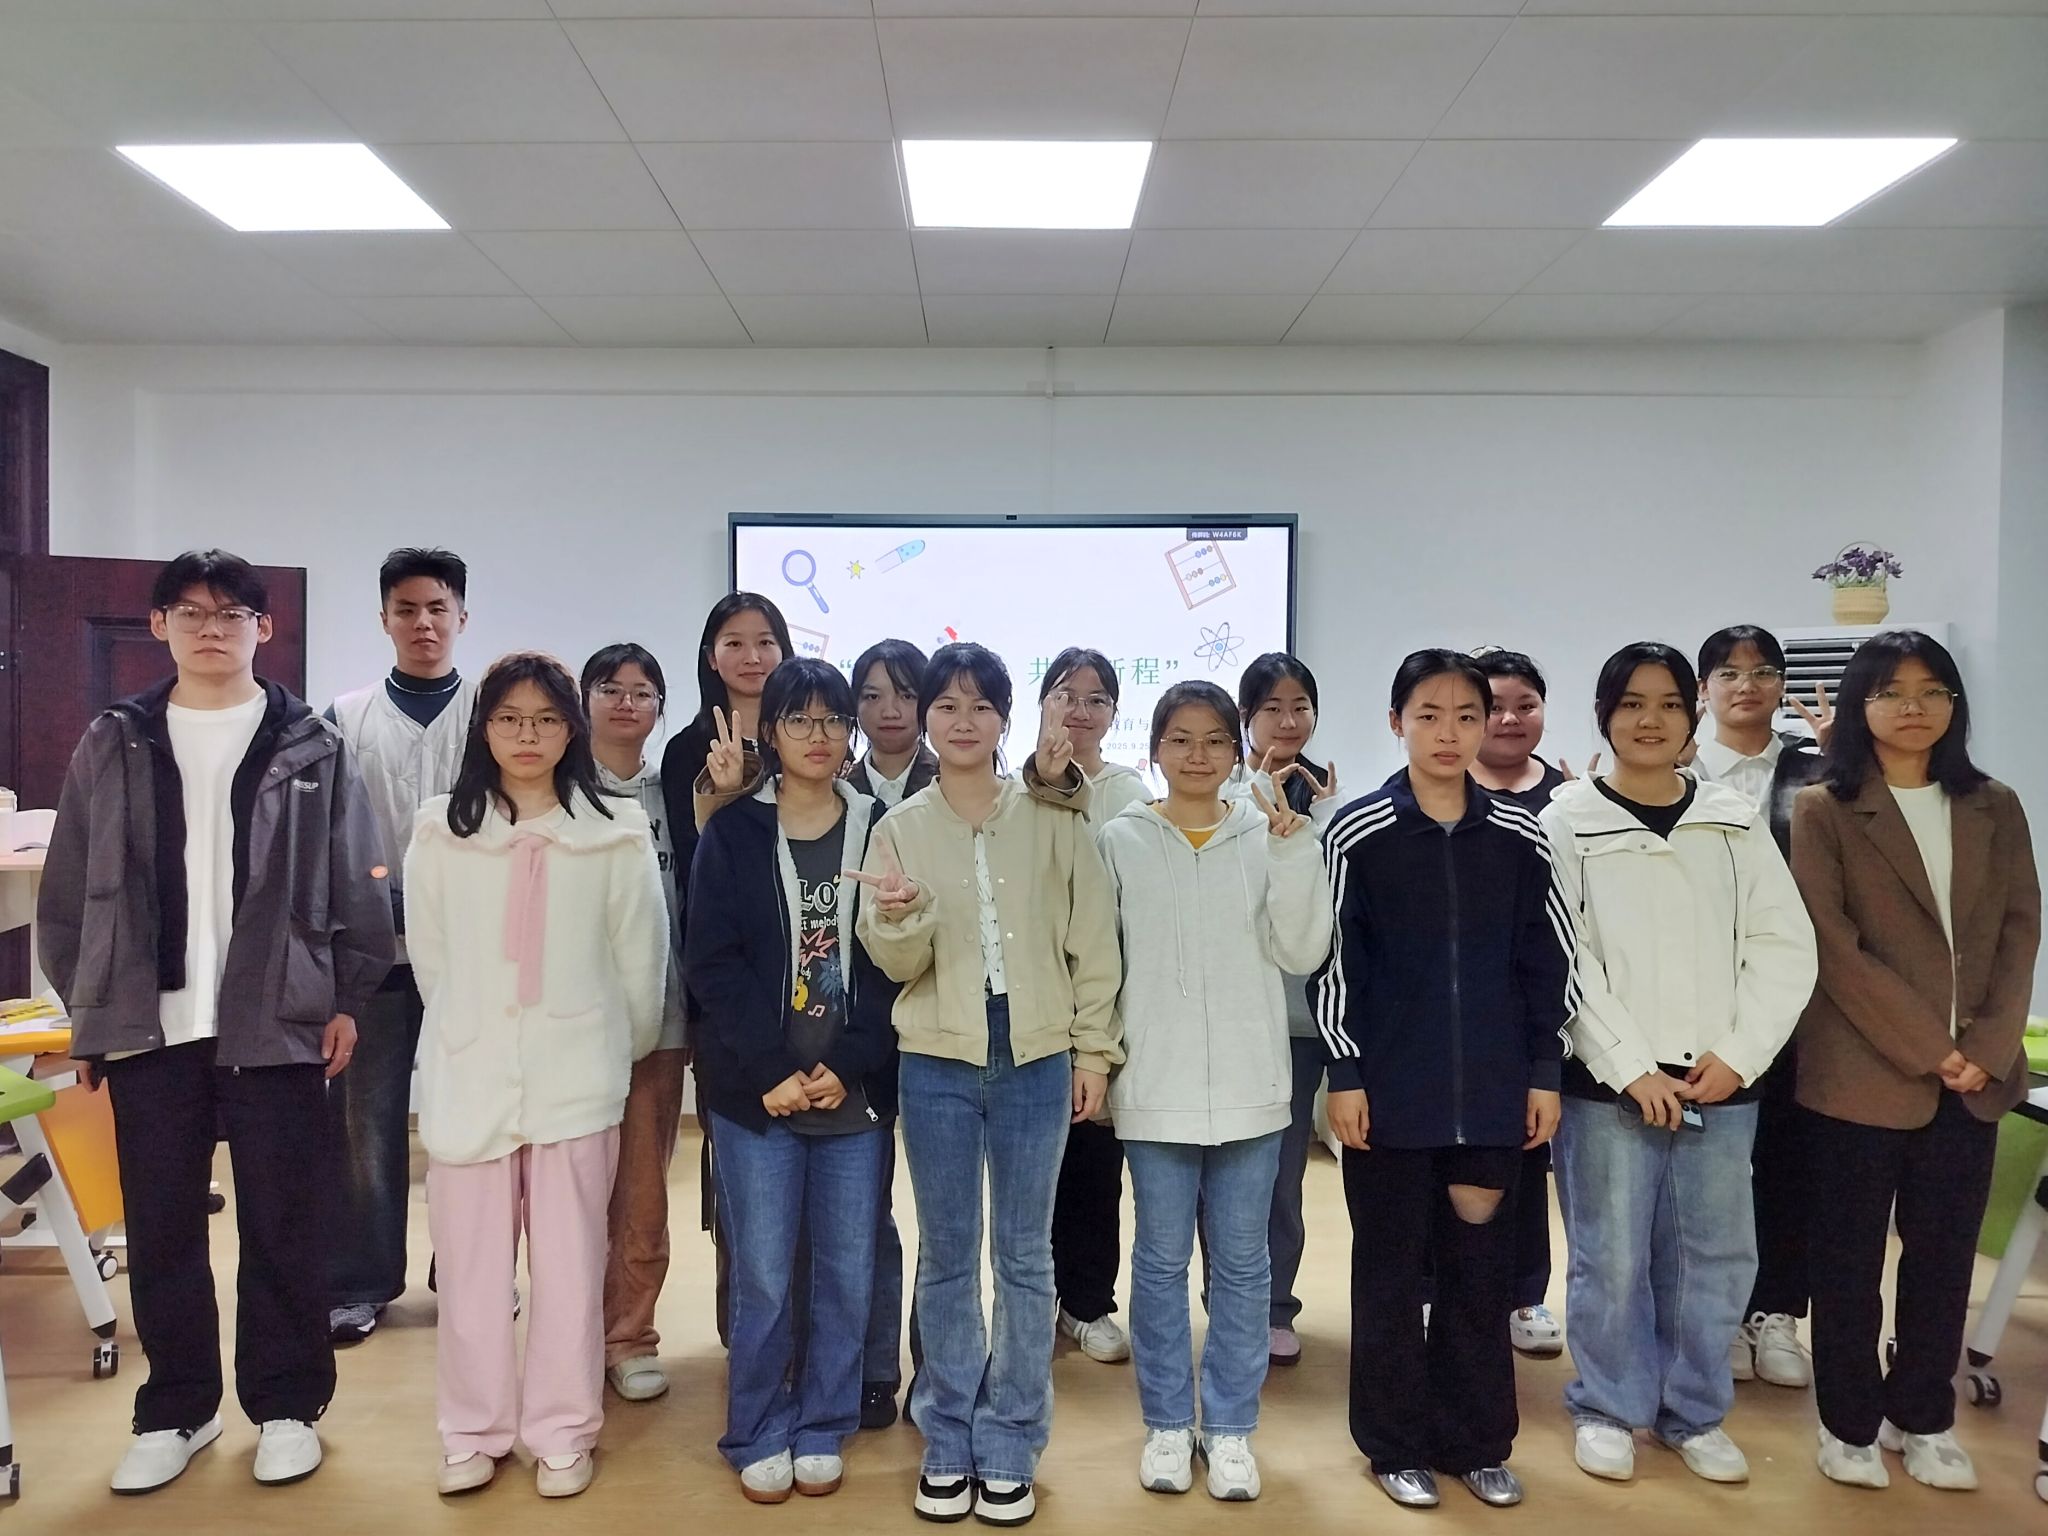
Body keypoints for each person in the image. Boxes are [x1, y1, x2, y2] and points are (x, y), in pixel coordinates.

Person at [39, 549, 396, 1494]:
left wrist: (346, 999)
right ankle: (177, 1410)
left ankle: (286, 1407)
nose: (211, 629)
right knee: (162, 1229)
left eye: (231, 613)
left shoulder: (311, 744)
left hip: (278, 1021)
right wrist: (91, 1015)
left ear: (261, 628)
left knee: (285, 1224)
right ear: (159, 625)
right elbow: (69, 891)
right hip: (149, 1027)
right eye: (190, 613)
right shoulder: (114, 739)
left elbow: (359, 883)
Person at [856, 643, 1122, 1528]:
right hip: (936, 1057)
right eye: (947, 705)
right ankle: (947, 1435)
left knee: (1023, 1254)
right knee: (946, 1252)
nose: (962, 721)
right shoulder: (901, 826)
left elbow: (1093, 943)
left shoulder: (1052, 814)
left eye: (980, 706)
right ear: (925, 718)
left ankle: (1011, 1438)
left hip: (1037, 1054)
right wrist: (902, 917)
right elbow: (896, 962)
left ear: (1006, 718)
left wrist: (1094, 1053)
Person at [1540, 641, 1817, 1489]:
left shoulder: (1731, 818)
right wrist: (1629, 1067)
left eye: (1666, 703)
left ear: (1691, 714)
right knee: (1610, 1257)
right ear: (1604, 716)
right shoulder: (1566, 819)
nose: (1649, 720)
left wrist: (1739, 1055)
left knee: (1716, 1257)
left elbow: (1783, 944)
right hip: (1610, 1086)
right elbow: (1564, 957)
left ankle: (1694, 1411)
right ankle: (1607, 1405)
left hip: (1719, 1083)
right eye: (1630, 703)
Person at [1317, 650, 1572, 1512]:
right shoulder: (1358, 833)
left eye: (1468, 715)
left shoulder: (1521, 836)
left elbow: (1548, 962)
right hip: (1388, 1095)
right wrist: (1345, 1071)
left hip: (1496, 1097)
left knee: (1480, 1274)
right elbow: (1335, 964)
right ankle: (1394, 1445)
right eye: (1429, 715)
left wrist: (1543, 1071)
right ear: (1398, 723)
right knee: (1389, 1276)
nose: (1449, 733)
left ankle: (1477, 1442)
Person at [407, 653, 667, 1499]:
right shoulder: (441, 830)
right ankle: (472, 1429)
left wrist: (606, 1049)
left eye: (547, 719)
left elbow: (641, 965)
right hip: (471, 1075)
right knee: (472, 1270)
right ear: (484, 728)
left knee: (570, 1266)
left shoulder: (615, 831)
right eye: (510, 718)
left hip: (577, 1077)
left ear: (571, 730)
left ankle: (562, 1430)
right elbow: (432, 962)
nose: (528, 735)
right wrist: (472, 1030)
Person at [1793, 630, 2039, 1493]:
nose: (1914, 706)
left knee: (1943, 1260)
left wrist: (1987, 1049)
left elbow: (2020, 932)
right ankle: (1849, 1423)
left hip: (1975, 1081)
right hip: (1861, 1073)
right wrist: (1932, 1049)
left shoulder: (1994, 804)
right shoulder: (1825, 808)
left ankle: (1924, 1416)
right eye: (1892, 691)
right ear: (1860, 704)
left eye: (1933, 690)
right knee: (1849, 1262)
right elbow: (1835, 947)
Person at [1102, 681, 1332, 1502]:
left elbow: (1303, 951)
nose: (1196, 756)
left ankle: (1231, 1427)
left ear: (1237, 751)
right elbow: (1103, 958)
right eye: (1179, 739)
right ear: (1155, 750)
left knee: (1242, 1265)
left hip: (1251, 1086)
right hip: (1155, 1087)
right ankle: (1168, 1423)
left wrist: (1294, 852)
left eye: (1213, 740)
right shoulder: (1121, 838)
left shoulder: (1268, 833)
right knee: (1160, 1263)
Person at [686, 658, 899, 1504]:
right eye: (800, 720)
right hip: (757, 1097)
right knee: (765, 1275)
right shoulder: (735, 831)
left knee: (847, 1272)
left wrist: (847, 1065)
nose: (820, 736)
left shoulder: (882, 828)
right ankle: (756, 1426)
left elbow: (893, 965)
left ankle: (823, 1422)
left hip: (853, 1094)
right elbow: (712, 963)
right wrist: (772, 1070)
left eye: (833, 720)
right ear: (769, 732)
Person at [324, 547, 479, 1346]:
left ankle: (469, 1270)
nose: (424, 623)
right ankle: (361, 1281)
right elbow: (328, 833)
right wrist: (377, 898)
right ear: (384, 618)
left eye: (437, 608)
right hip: (373, 958)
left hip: (471, 958)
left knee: (468, 1121)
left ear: (462, 617)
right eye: (407, 609)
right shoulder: (344, 718)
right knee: (367, 1125)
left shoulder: (493, 711)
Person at [1691, 625, 1829, 1392]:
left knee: (1788, 1159)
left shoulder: (1819, 769)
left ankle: (1775, 1312)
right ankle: (1716, 1316)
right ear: (1704, 690)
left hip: (1795, 1000)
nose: (1747, 685)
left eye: (1763, 672)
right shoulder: (1675, 768)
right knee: (1711, 1170)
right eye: (1729, 673)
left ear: (1781, 685)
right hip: (1701, 998)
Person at [657, 592, 793, 1344]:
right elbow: (696, 874)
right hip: (727, 985)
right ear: (711, 655)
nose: (751, 656)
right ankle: (745, 1332)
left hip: (808, 983)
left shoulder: (809, 738)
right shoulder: (687, 750)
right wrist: (727, 795)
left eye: (765, 641)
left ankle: (804, 1331)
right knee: (738, 1164)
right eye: (734, 642)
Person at [1222, 652, 1341, 1367]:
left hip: (1299, 1025)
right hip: (1230, 1014)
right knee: (1223, 1176)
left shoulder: (1330, 801)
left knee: (1281, 1177)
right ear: (1246, 718)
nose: (1288, 720)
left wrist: (1319, 820)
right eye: (1272, 707)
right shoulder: (1221, 794)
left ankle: (1274, 1306)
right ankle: (1227, 1303)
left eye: (1300, 706)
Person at [581, 644, 690, 1404]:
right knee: (572, 1192)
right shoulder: (559, 790)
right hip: (574, 1022)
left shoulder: (673, 790)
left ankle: (628, 1336)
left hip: (661, 1017)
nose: (627, 703)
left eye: (643, 691)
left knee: (642, 1189)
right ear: (585, 699)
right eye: (611, 689)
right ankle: (570, 1336)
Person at [1039, 647, 1150, 1366]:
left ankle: (1086, 1303)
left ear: (1114, 712)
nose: (1080, 711)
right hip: (1033, 1004)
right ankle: (1033, 1299)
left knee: (1093, 1165)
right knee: (1031, 1172)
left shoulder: (1129, 793)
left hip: (1103, 1005)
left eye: (1096, 699)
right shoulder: (1012, 786)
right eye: (1065, 694)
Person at [1467, 648, 1570, 1362]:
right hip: (1450, 1013)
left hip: (1530, 1013)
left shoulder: (1568, 800)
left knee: (1528, 1161)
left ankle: (1525, 1293)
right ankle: (1439, 1289)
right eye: (1493, 707)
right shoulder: (1437, 787)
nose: (1508, 719)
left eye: (1524, 705)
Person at [844, 636, 933, 1429]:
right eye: (872, 694)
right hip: (858, 1034)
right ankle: (874, 1368)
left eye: (904, 692)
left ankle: (936, 1371)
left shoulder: (963, 786)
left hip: (941, 1028)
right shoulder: (831, 789)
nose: (889, 709)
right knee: (865, 1212)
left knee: (944, 1218)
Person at [849, 638, 938, 808]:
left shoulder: (950, 785)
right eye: (873, 697)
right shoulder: (837, 791)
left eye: (907, 696)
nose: (890, 713)